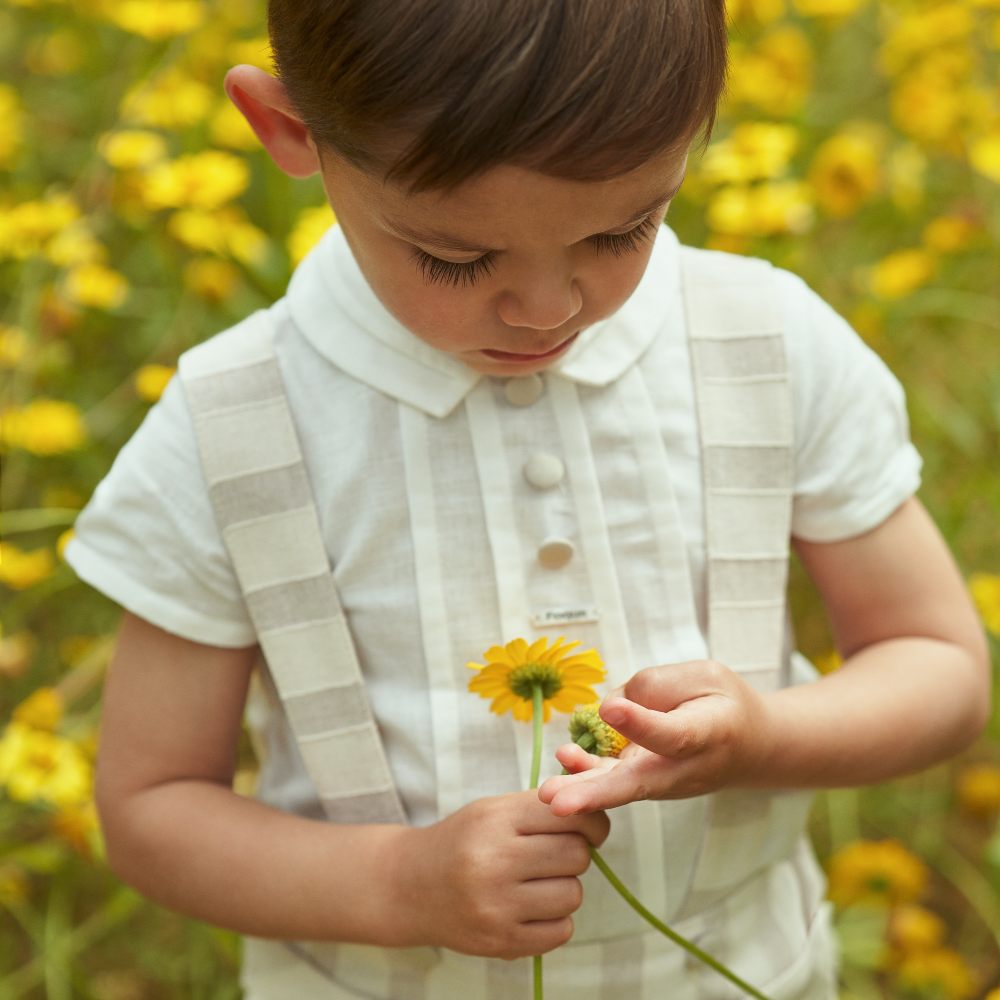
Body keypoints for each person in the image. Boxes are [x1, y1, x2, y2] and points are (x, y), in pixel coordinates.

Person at [65, 1, 990, 998]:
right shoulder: (231, 425)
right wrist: (401, 884)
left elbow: (939, 667)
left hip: (742, 970)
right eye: (455, 257)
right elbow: (151, 807)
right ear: (291, 132)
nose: (548, 309)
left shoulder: (760, 344)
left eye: (624, 229)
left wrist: (765, 735)